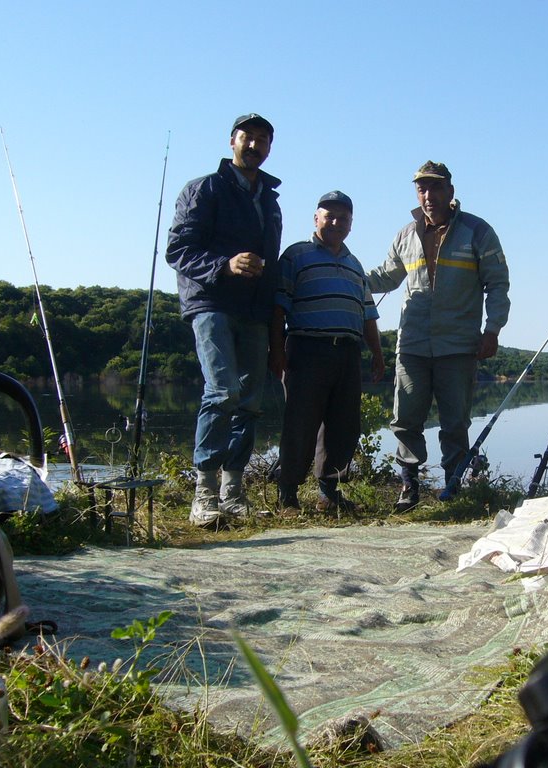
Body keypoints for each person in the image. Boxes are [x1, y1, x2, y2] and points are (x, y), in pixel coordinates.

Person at [366, 161, 510, 511]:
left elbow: (498, 283)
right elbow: (386, 277)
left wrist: (492, 330)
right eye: (422, 188)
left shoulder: (478, 231)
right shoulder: (406, 234)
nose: (428, 195)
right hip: (412, 345)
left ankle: (454, 486)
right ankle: (409, 486)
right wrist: (345, 273)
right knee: (406, 419)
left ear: (450, 192)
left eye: (435, 187)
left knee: (455, 422)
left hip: (459, 346)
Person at [165, 113, 283, 528]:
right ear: (231, 141)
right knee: (223, 390)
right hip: (210, 303)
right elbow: (178, 249)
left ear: (270, 147)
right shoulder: (204, 189)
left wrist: (275, 323)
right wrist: (225, 264)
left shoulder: (270, 200)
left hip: (254, 311)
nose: (254, 145)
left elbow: (270, 267)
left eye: (262, 140)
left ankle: (233, 492)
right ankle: (204, 494)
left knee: (249, 401)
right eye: (247, 138)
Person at [273, 191, 385, 514]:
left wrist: (376, 355)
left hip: (348, 353)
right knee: (301, 423)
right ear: (316, 219)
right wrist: (277, 351)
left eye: (344, 218)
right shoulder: (296, 256)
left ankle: (328, 493)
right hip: (306, 349)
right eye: (329, 216)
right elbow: (279, 309)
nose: (336, 223)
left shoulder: (355, 265)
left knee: (344, 425)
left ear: (351, 224)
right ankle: (288, 495)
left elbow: (368, 315)